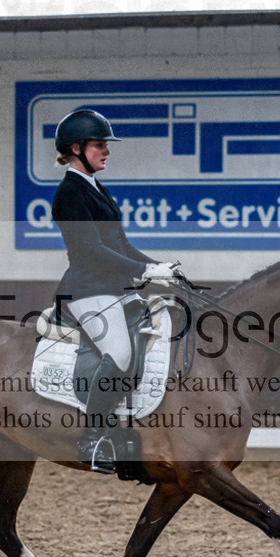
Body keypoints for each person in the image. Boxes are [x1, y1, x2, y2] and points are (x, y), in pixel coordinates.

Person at [51, 109, 177, 474]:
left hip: (112, 287)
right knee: (119, 352)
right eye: (99, 145)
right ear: (76, 148)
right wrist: (143, 270)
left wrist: (160, 268)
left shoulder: (95, 188)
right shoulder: (68, 193)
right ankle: (92, 440)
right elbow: (91, 250)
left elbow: (120, 245)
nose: (107, 151)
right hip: (87, 290)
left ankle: (127, 429)